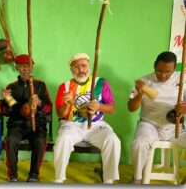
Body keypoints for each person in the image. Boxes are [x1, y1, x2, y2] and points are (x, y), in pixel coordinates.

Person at [54, 53, 121, 184]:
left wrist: (99, 106)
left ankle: (108, 181)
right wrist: (67, 104)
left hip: (96, 125)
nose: (81, 70)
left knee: (113, 140)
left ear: (89, 67)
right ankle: (58, 180)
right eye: (76, 67)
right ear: (71, 69)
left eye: (84, 66)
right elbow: (60, 114)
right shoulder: (65, 87)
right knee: (63, 139)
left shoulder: (100, 83)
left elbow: (111, 109)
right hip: (72, 125)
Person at [128, 51, 186, 184]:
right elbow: (131, 108)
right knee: (139, 144)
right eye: (159, 71)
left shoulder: (183, 79)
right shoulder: (144, 81)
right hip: (150, 125)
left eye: (168, 72)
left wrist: (184, 108)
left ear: (174, 69)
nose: (164, 75)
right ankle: (137, 179)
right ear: (154, 65)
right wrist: (140, 94)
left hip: (175, 127)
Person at [1, 54, 52, 182]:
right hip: (17, 124)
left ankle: (33, 176)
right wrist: (8, 99)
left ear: (32, 67)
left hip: (37, 124)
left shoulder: (40, 85)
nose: (25, 68)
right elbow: (7, 112)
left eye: (27, 65)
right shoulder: (11, 87)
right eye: (21, 66)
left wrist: (39, 103)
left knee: (40, 141)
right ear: (16, 67)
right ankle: (13, 175)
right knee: (11, 140)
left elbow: (49, 108)